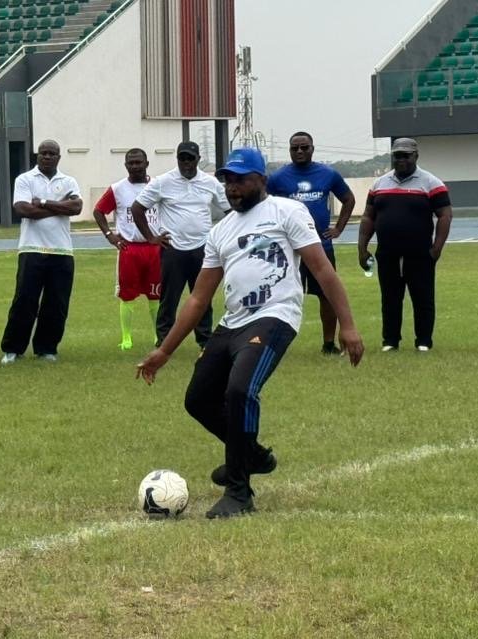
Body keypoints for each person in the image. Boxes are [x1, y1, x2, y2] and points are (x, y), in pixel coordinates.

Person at [136, 148, 365, 519]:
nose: (232, 187)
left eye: (241, 179)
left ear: (262, 180)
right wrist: (164, 352)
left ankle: (239, 493)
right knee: (198, 400)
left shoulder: (287, 212)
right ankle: (252, 454)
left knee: (241, 390)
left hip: (275, 317)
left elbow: (322, 271)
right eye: (227, 180)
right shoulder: (221, 230)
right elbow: (198, 299)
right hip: (232, 322)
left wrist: (348, 327)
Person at [357, 137, 452, 352]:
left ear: (416, 156)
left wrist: (436, 248)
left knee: (423, 298)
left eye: (406, 156)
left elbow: (445, 216)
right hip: (387, 252)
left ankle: (424, 341)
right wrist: (362, 248)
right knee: (390, 297)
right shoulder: (379, 184)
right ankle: (390, 341)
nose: (401, 160)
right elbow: (368, 217)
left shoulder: (431, 183)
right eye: (397, 156)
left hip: (420, 253)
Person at [131, 140, 229, 349]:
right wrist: (151, 237)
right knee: (169, 297)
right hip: (173, 249)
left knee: (203, 296)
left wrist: (222, 236)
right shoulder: (162, 182)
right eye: (182, 158)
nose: (186, 163)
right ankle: (164, 340)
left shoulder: (210, 182)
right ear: (177, 159)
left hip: (203, 248)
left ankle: (204, 340)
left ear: (198, 160)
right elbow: (137, 208)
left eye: (190, 159)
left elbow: (230, 210)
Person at [267, 132, 356, 355]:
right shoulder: (278, 178)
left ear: (312, 149)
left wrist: (338, 228)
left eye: (304, 147)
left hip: (320, 247)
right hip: (289, 250)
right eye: (295, 148)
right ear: (289, 150)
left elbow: (348, 199)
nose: (299, 152)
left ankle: (328, 343)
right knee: (280, 296)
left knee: (327, 295)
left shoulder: (328, 174)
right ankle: (272, 344)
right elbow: (263, 205)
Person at [0, 139, 82, 365]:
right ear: (37, 156)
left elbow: (76, 208)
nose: (47, 157)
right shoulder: (25, 179)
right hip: (31, 249)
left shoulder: (68, 180)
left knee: (56, 302)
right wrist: (59, 207)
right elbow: (23, 209)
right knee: (24, 300)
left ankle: (47, 348)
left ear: (58, 157)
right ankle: (13, 349)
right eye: (43, 153)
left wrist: (44, 202)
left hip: (62, 251)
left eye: (52, 153)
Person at [93, 147, 162, 351]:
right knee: (127, 295)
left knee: (156, 295)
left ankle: (159, 336)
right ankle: (126, 337)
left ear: (146, 164)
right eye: (131, 163)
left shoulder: (159, 186)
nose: (135, 166)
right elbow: (98, 211)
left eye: (138, 162)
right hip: (129, 249)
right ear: (125, 165)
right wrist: (109, 235)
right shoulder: (117, 189)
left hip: (154, 248)